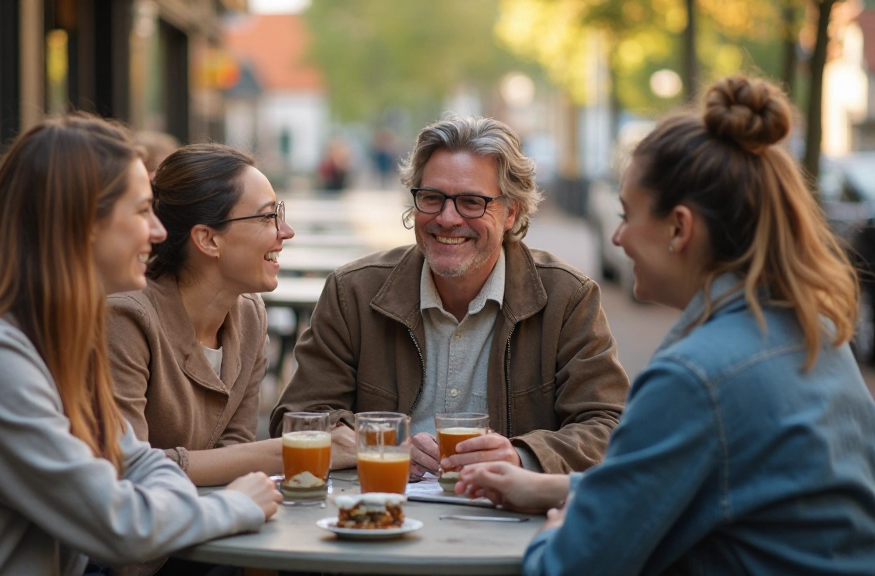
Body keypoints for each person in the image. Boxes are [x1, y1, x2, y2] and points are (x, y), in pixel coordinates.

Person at [455, 76, 875, 575]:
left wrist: (557, 528)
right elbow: (712, 483)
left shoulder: (695, 377)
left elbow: (569, 568)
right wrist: (555, 486)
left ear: (679, 227)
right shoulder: (816, 333)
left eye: (627, 214)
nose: (617, 237)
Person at [0, 115, 282, 576]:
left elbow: (134, 460)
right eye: (142, 210)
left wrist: (170, 494)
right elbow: (117, 524)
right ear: (84, 222)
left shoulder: (47, 337)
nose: (159, 231)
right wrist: (235, 505)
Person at [271, 115, 629, 477]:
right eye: (432, 198)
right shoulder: (353, 293)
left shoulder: (568, 299)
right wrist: (379, 443)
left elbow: (610, 427)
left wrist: (519, 456)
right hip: (379, 514)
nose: (446, 218)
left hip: (510, 521)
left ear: (511, 212)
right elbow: (299, 416)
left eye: (471, 202)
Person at [107, 143, 356, 489]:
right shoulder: (125, 317)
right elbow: (126, 469)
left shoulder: (249, 316)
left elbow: (233, 455)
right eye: (269, 216)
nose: (286, 232)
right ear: (208, 239)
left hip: (207, 524)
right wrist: (301, 449)